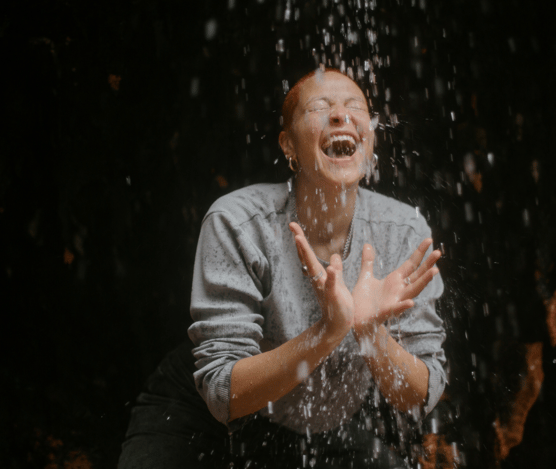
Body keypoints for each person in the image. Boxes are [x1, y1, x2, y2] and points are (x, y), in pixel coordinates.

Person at [119, 68, 447, 469]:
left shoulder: (403, 231)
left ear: (371, 139)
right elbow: (223, 394)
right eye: (319, 107)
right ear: (288, 145)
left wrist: (369, 332)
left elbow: (419, 396)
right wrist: (328, 332)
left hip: (315, 427)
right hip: (202, 415)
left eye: (354, 106)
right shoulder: (237, 222)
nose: (341, 116)